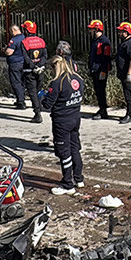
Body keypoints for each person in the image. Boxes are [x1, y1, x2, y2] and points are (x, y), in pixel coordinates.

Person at [41, 41, 84, 195]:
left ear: (55, 67)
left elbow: (47, 105)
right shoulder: (78, 79)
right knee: (75, 148)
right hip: (75, 118)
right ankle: (79, 178)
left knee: (63, 152)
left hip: (62, 121)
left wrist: (44, 96)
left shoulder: (57, 82)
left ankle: (67, 184)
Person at [19, 20, 48, 123]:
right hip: (41, 70)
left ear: (26, 31)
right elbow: (45, 55)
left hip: (29, 70)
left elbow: (26, 57)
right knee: (38, 90)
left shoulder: (24, 42)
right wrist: (40, 65)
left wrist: (33, 66)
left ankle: (37, 113)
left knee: (32, 92)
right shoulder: (41, 41)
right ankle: (40, 106)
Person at [86, 20, 113, 119]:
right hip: (94, 70)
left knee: (101, 91)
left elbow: (106, 58)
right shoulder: (94, 41)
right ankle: (101, 109)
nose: (90, 31)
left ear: (96, 29)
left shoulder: (104, 42)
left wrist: (103, 71)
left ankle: (103, 111)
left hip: (101, 70)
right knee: (98, 90)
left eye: (91, 29)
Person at [115, 21, 131, 124]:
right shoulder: (124, 43)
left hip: (130, 74)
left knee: (130, 95)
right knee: (127, 94)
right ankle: (128, 113)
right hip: (124, 74)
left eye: (121, 32)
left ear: (126, 32)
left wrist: (129, 74)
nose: (119, 33)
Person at [3, 24, 27, 108]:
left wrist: (5, 49)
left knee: (16, 82)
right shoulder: (25, 37)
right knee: (22, 82)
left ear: (13, 31)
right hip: (24, 63)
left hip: (15, 64)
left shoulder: (14, 40)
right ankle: (21, 99)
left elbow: (9, 52)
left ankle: (21, 102)